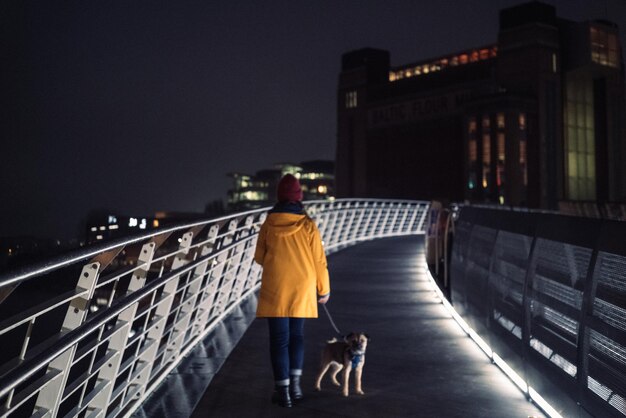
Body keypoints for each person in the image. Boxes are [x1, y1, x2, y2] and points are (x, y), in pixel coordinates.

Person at [254, 173, 331, 408]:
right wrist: (323, 290)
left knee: (279, 340)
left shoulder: (269, 223)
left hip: (277, 285)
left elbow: (259, 258)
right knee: (297, 337)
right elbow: (319, 261)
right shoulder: (308, 224)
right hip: (303, 286)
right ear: (298, 198)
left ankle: (283, 391)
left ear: (279, 197)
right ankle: (296, 387)